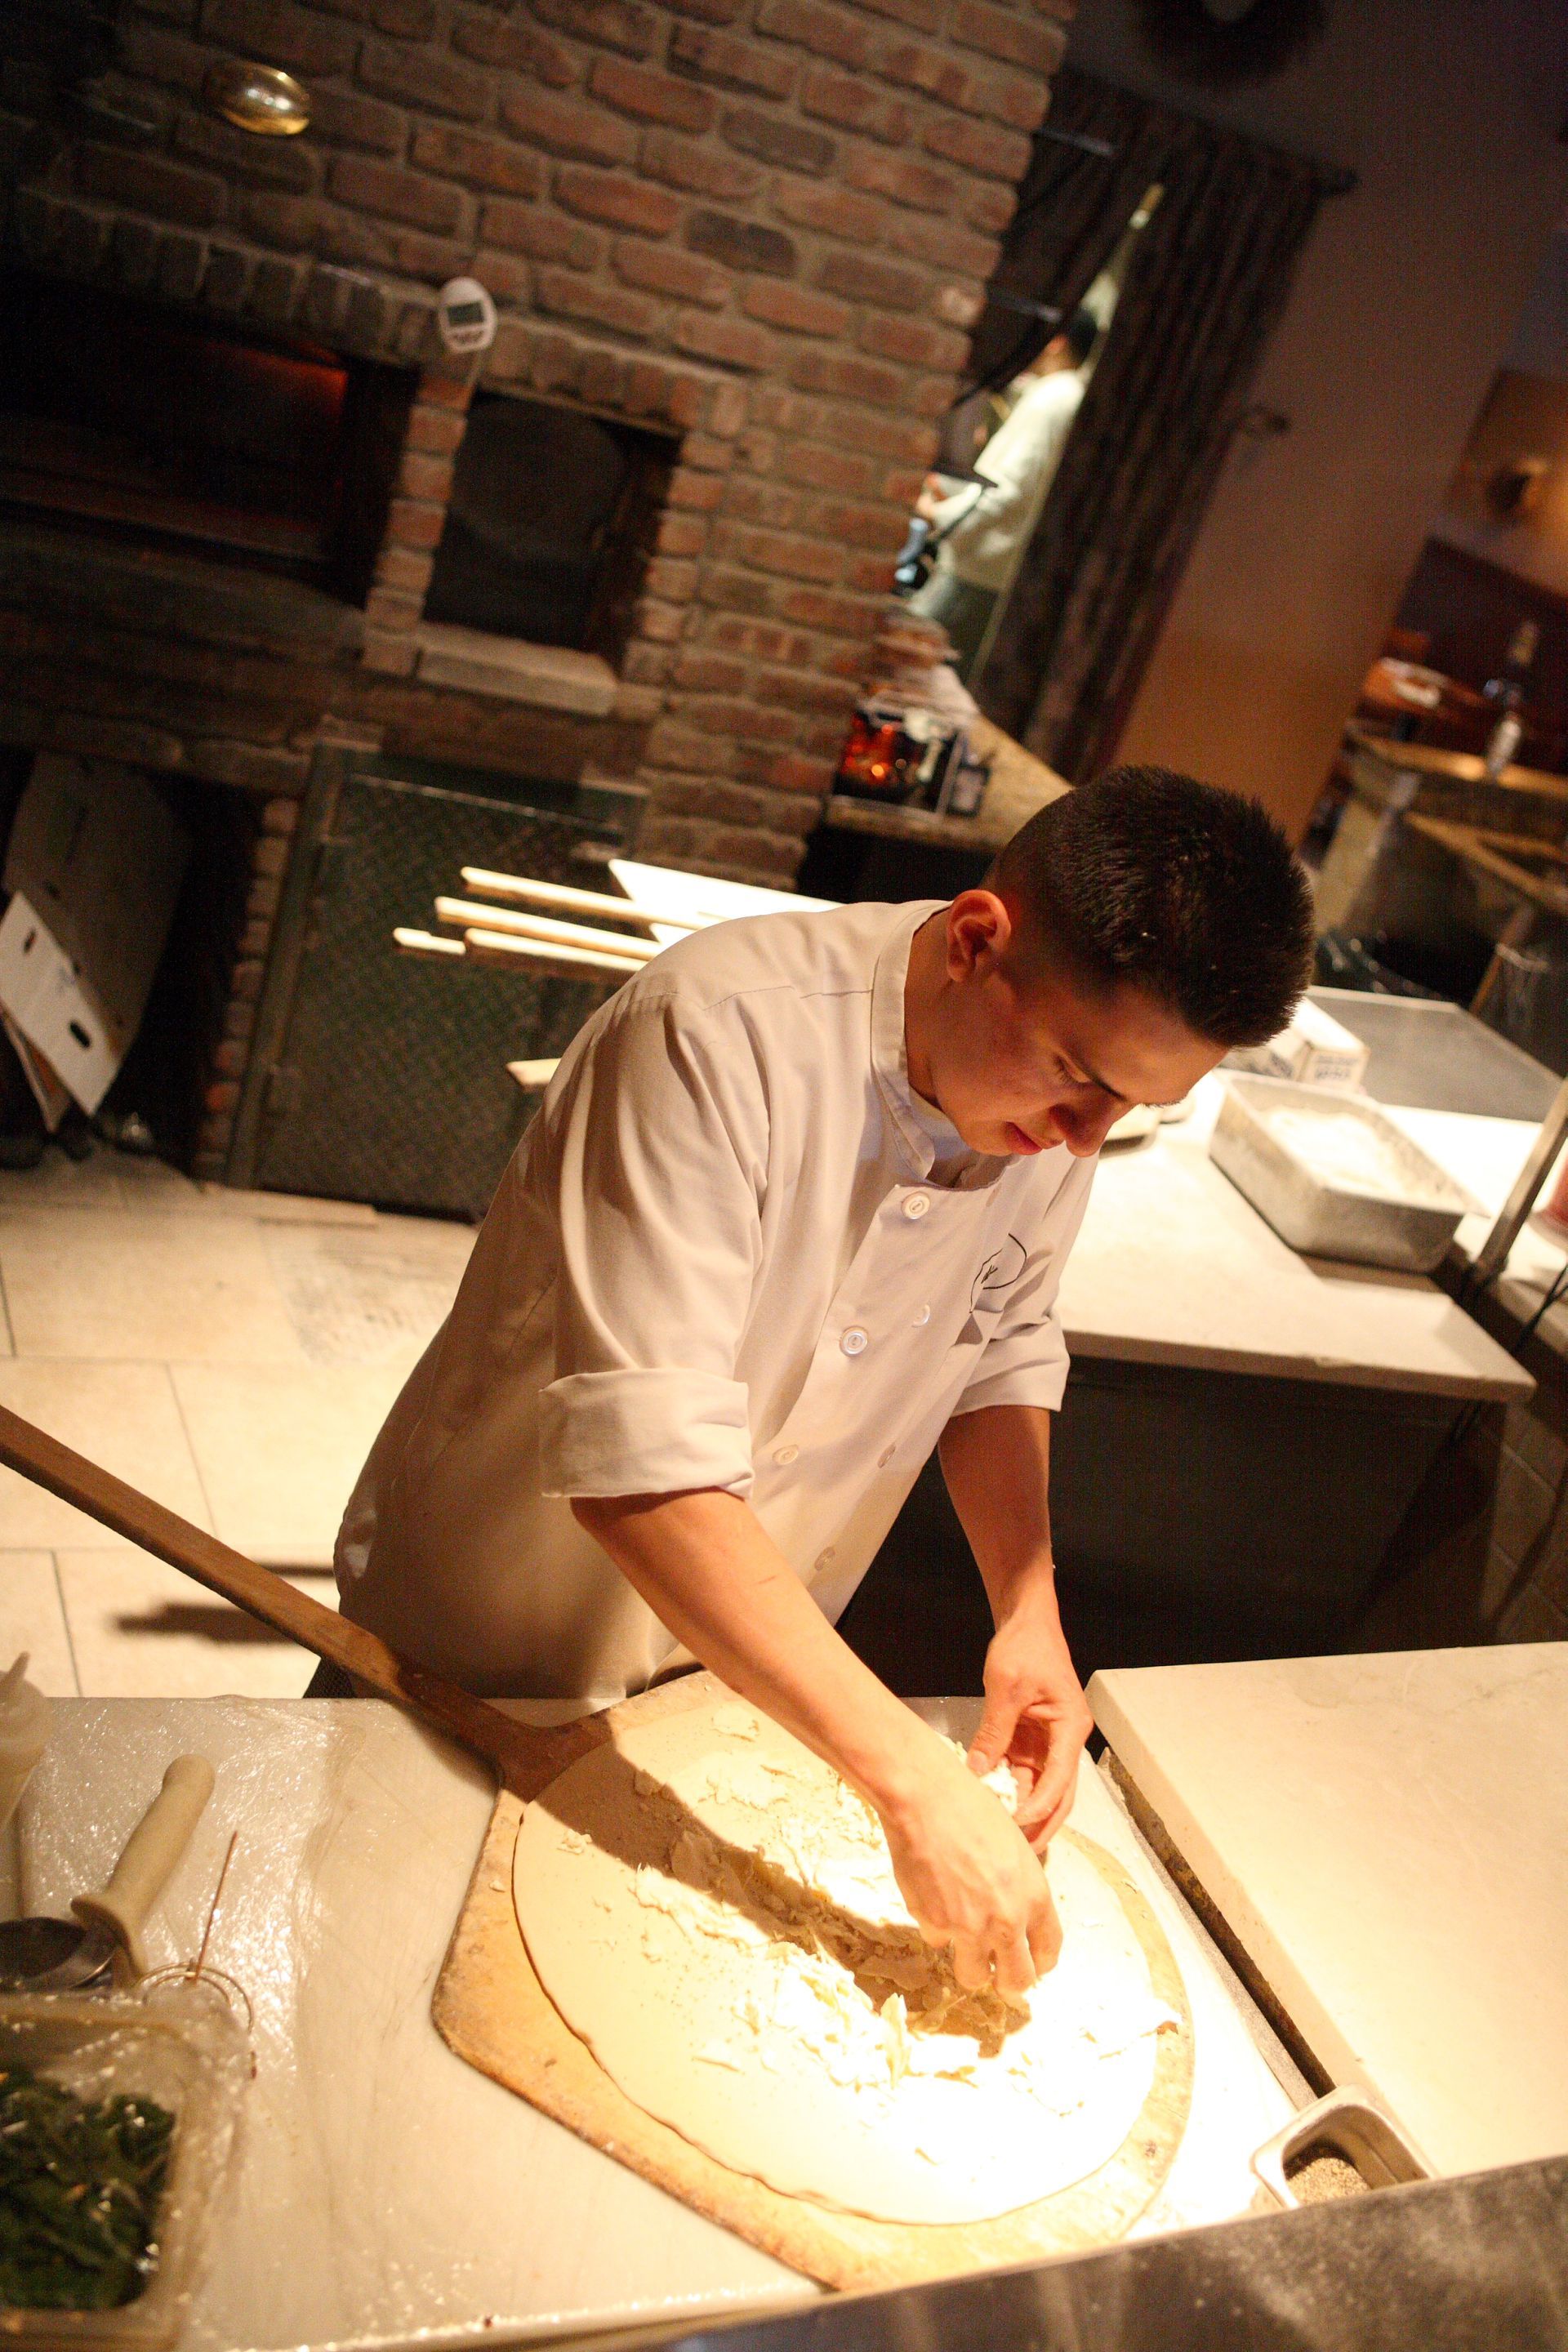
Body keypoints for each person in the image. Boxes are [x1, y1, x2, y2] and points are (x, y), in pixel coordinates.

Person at [332, 768, 1313, 1998]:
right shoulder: (711, 1039)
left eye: (1130, 1105)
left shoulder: (1041, 1106)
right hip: (483, 1648)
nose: (1084, 1138)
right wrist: (911, 1780)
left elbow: (1001, 1333)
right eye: (1080, 1075)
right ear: (976, 941)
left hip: (726, 1681)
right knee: (368, 1993)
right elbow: (648, 1475)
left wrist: (1029, 1607)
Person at [907, 307, 1098, 675]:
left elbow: (1009, 488)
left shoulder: (1053, 398)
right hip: (990, 565)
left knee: (917, 671)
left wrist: (938, 517)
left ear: (1057, 344)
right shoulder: (1065, 396)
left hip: (980, 567)